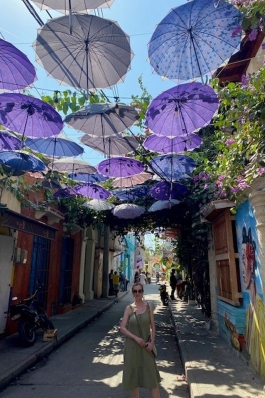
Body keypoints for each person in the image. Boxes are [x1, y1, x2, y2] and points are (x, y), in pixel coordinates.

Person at [120, 283, 161, 398]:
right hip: (132, 347)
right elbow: (122, 328)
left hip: (146, 346)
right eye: (135, 291)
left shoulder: (149, 307)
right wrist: (136, 338)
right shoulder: (129, 308)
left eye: (139, 291)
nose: (137, 293)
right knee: (134, 379)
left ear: (142, 292)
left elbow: (152, 326)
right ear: (132, 293)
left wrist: (152, 343)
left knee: (152, 378)